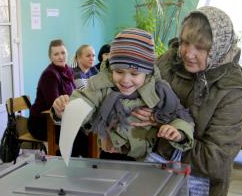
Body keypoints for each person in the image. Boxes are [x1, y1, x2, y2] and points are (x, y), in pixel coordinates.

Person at [133, 6, 242, 196]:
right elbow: (135, 93)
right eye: (185, 42)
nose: (188, 54)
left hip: (198, 192)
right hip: (155, 180)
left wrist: (166, 127)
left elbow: (215, 160)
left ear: (218, 48)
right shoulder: (170, 61)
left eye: (200, 48)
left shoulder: (231, 90)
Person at [52, 28, 195, 161]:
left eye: (134, 74)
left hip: (146, 160)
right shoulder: (102, 84)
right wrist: (65, 110)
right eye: (119, 72)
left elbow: (181, 116)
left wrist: (179, 132)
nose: (126, 80)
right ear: (111, 68)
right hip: (109, 155)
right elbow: (85, 100)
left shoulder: (159, 90)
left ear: (147, 72)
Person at [27, 39, 88, 157]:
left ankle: (78, 167)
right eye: (56, 54)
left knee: (86, 133)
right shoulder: (49, 75)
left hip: (60, 120)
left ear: (67, 53)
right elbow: (55, 105)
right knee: (78, 137)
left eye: (63, 53)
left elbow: (75, 95)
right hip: (42, 122)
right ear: (50, 57)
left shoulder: (69, 70)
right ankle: (66, 167)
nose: (60, 57)